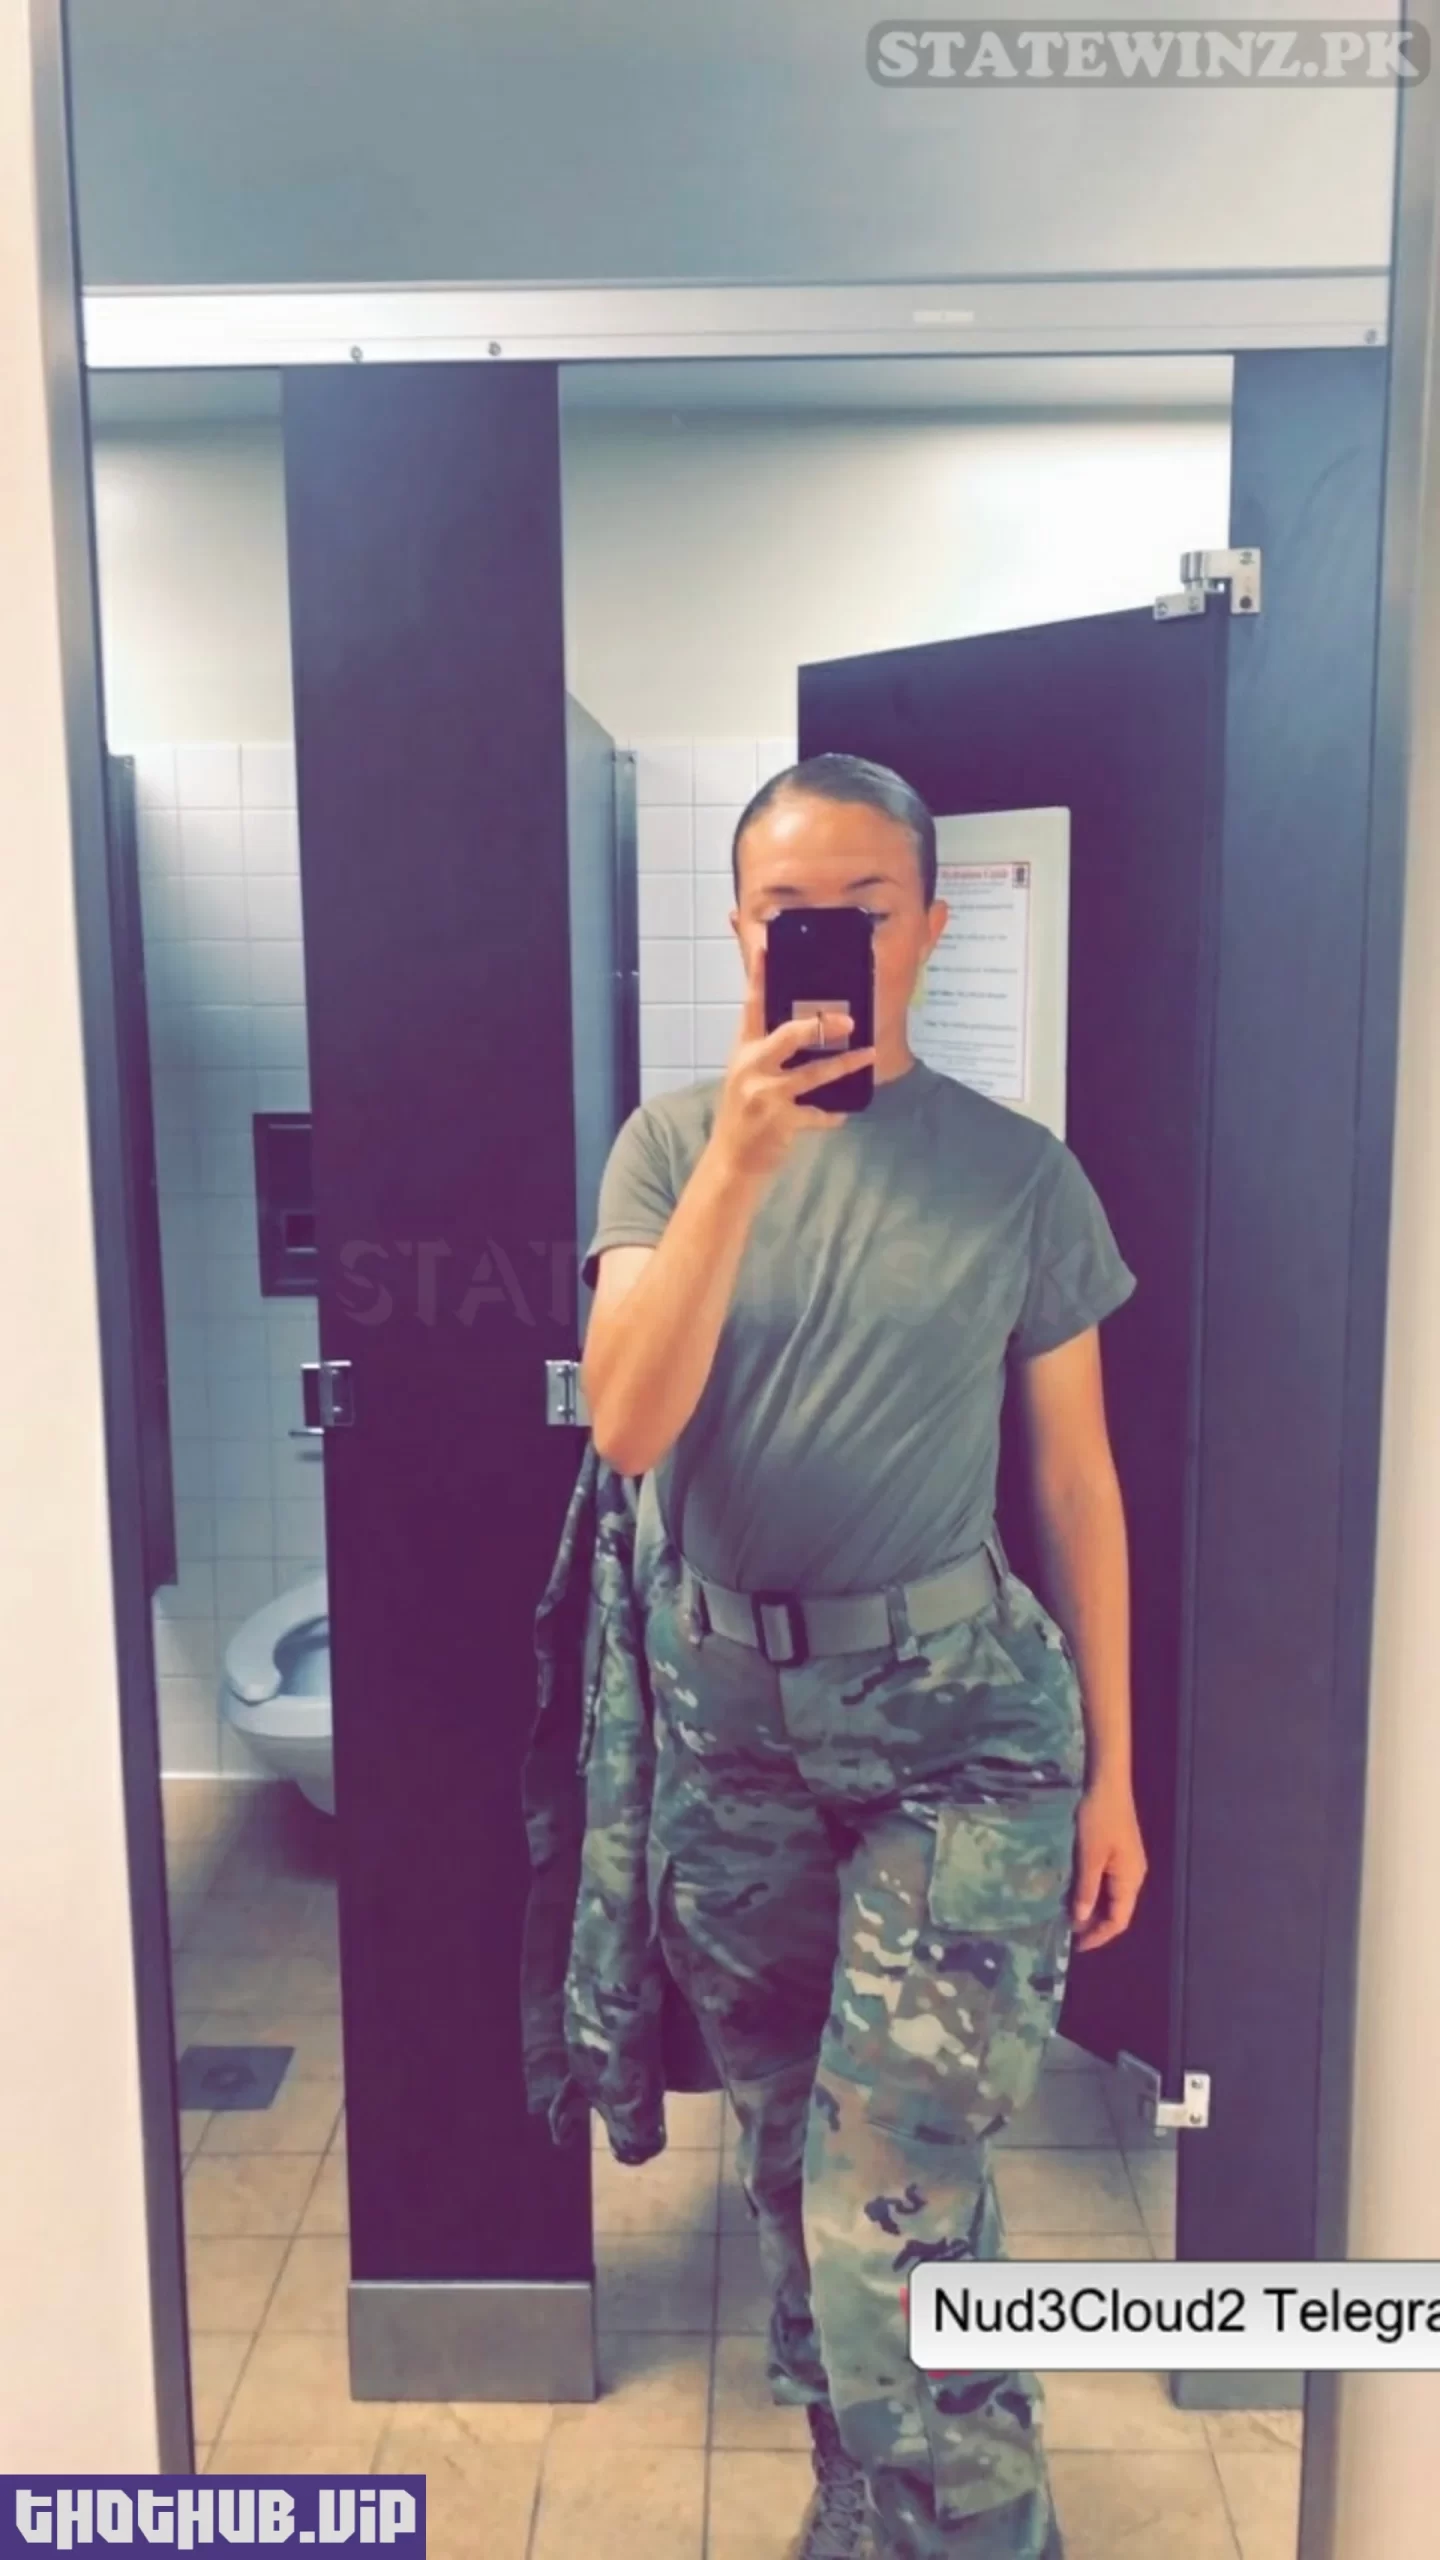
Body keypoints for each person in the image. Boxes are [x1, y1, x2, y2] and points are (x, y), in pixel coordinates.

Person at [580, 753, 1147, 2560]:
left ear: (928, 925)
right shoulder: (671, 1148)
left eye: (863, 911)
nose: (821, 941)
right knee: (790, 2164)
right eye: (783, 915)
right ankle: (866, 2497)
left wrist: (1116, 1780)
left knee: (886, 2192)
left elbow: (1077, 1484)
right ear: (740, 931)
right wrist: (740, 1172)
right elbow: (627, 1425)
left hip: (960, 1736)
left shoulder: (1018, 1174)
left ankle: (976, 2533)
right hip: (730, 1736)